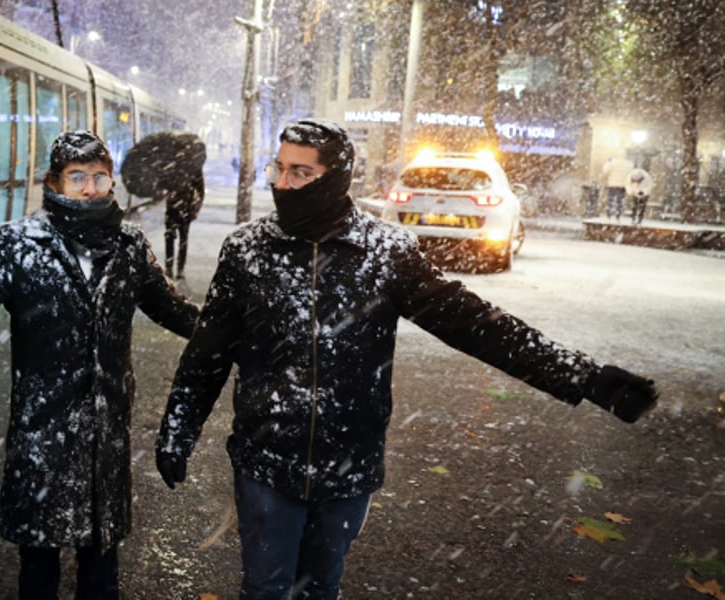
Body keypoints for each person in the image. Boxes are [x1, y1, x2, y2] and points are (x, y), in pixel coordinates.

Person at [155, 118, 659, 600]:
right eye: (278, 169)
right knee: (265, 590)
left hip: (349, 465)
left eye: (300, 172)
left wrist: (585, 377)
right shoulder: (248, 250)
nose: (283, 185)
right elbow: (209, 351)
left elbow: (476, 324)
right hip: (266, 460)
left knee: (320, 588)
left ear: (336, 178)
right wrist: (179, 428)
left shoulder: (386, 252)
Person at [0, 130, 201, 600]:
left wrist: (234, 328)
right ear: (54, 183)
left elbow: (171, 309)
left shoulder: (129, 246)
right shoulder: (19, 242)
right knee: (38, 570)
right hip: (42, 435)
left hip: (105, 438)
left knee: (101, 570)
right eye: (77, 177)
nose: (90, 188)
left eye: (99, 177)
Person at [164, 169, 205, 279]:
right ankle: (170, 267)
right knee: (170, 238)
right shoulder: (174, 164)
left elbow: (200, 191)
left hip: (186, 209)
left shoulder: (194, 167)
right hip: (173, 208)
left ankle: (179, 268)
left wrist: (196, 209)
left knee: (182, 239)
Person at [601, 155, 635, 221]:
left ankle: (608, 215)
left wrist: (608, 162)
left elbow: (605, 171)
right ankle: (618, 215)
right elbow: (631, 176)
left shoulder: (613, 162)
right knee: (620, 201)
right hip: (622, 185)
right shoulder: (630, 164)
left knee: (610, 200)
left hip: (613, 184)